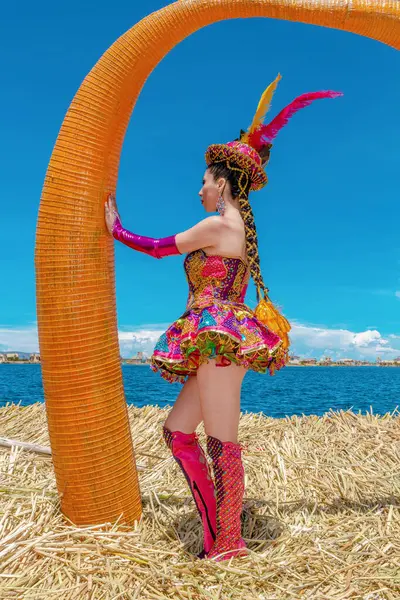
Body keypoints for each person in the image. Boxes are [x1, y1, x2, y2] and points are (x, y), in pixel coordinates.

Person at [105, 75, 342, 561]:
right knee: (177, 433)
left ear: (222, 183)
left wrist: (116, 229)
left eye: (204, 181)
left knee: (221, 442)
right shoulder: (232, 226)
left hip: (217, 339)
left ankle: (227, 544)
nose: (199, 189)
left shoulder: (217, 223)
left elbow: (157, 249)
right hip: (216, 339)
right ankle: (219, 528)